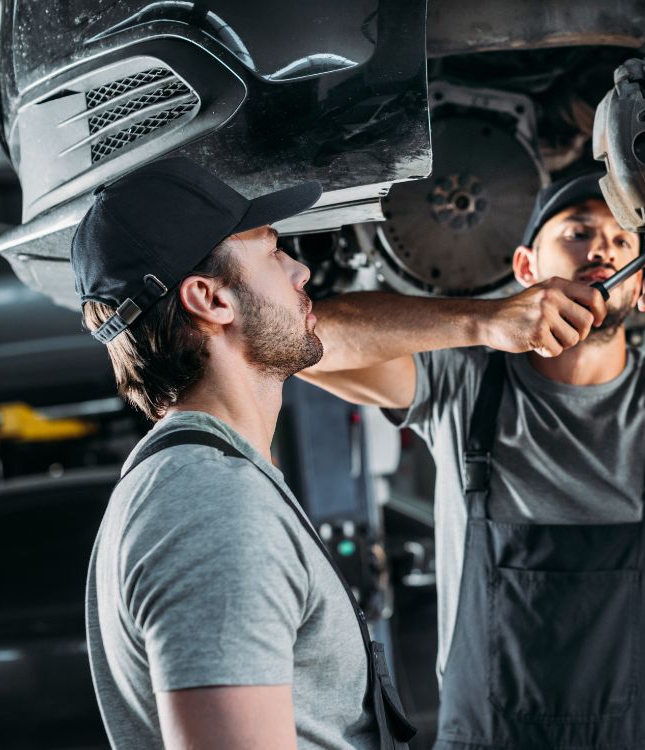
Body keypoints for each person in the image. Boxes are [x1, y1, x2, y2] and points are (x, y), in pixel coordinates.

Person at [300, 172, 645, 749]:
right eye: (577, 232)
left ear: (642, 277)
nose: (603, 248)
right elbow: (302, 340)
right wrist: (483, 320)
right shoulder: (463, 386)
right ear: (526, 268)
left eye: (623, 241)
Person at [76, 157, 412, 750]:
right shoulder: (210, 508)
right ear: (210, 299)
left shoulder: (199, 479)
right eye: (271, 250)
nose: (301, 271)